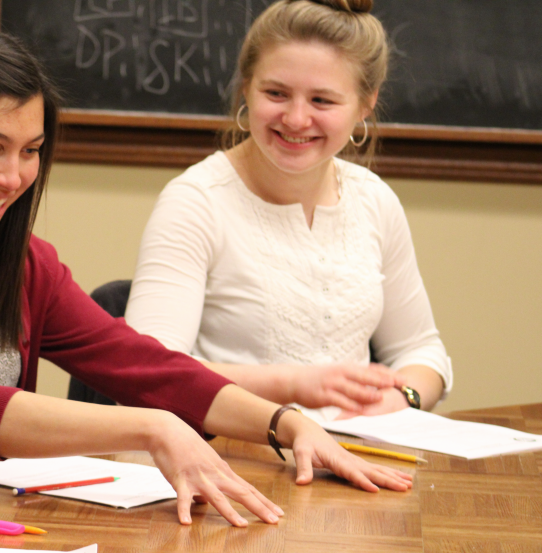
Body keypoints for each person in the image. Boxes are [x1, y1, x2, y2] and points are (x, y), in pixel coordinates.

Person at [0, 27, 412, 529]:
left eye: (31, 151)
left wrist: (284, 423)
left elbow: (138, 362)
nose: (13, 176)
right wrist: (152, 428)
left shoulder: (16, 261)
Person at [124, 0, 452, 423]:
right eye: (276, 93)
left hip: (355, 458)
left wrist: (401, 398)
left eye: (323, 100)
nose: (296, 119)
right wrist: (293, 385)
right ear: (246, 87)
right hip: (227, 461)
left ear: (365, 105)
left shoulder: (375, 200)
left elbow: (423, 350)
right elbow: (148, 375)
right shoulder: (196, 201)